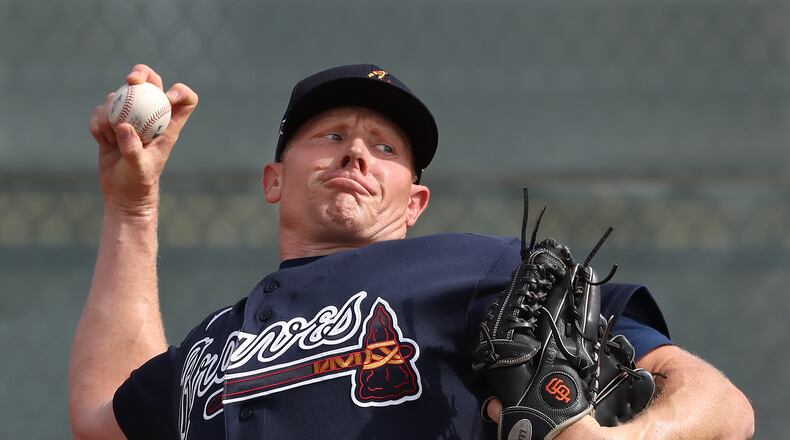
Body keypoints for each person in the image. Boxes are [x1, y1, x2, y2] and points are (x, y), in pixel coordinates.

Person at [69, 63, 754, 440]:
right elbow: (105, 418)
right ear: (274, 179)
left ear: (414, 203)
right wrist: (132, 209)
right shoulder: (214, 343)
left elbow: (722, 403)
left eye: (386, 148)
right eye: (331, 134)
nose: (357, 150)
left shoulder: (478, 269)